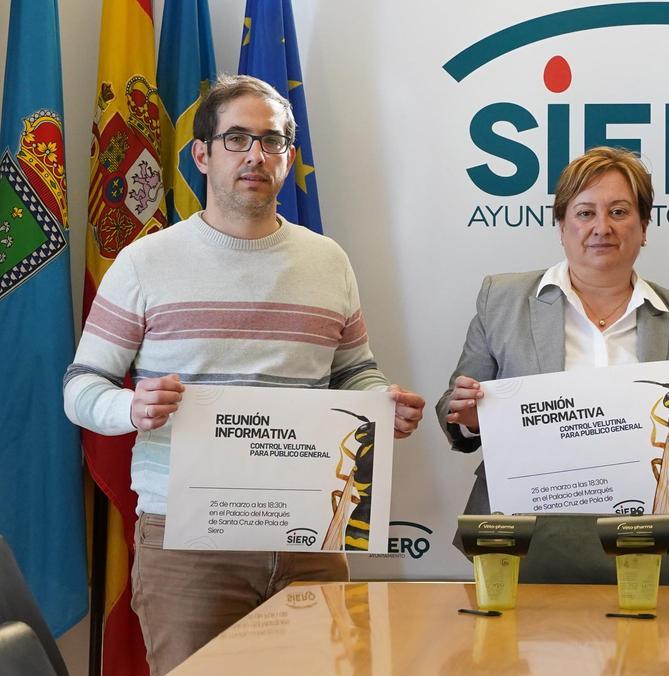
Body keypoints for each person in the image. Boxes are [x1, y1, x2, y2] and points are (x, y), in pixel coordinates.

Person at [62, 74, 425, 674]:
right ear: (202, 154)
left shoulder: (327, 260)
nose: (257, 155)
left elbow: (354, 371)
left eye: (273, 141)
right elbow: (81, 386)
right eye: (237, 139)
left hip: (311, 532)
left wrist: (381, 402)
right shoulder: (145, 262)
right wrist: (131, 408)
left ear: (288, 156)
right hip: (188, 545)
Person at [437, 146, 669, 520]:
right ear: (562, 226)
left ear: (644, 227)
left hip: (652, 528)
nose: (602, 227)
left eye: (618, 212)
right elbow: (453, 404)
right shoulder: (501, 300)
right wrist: (465, 415)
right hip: (524, 525)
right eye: (585, 213)